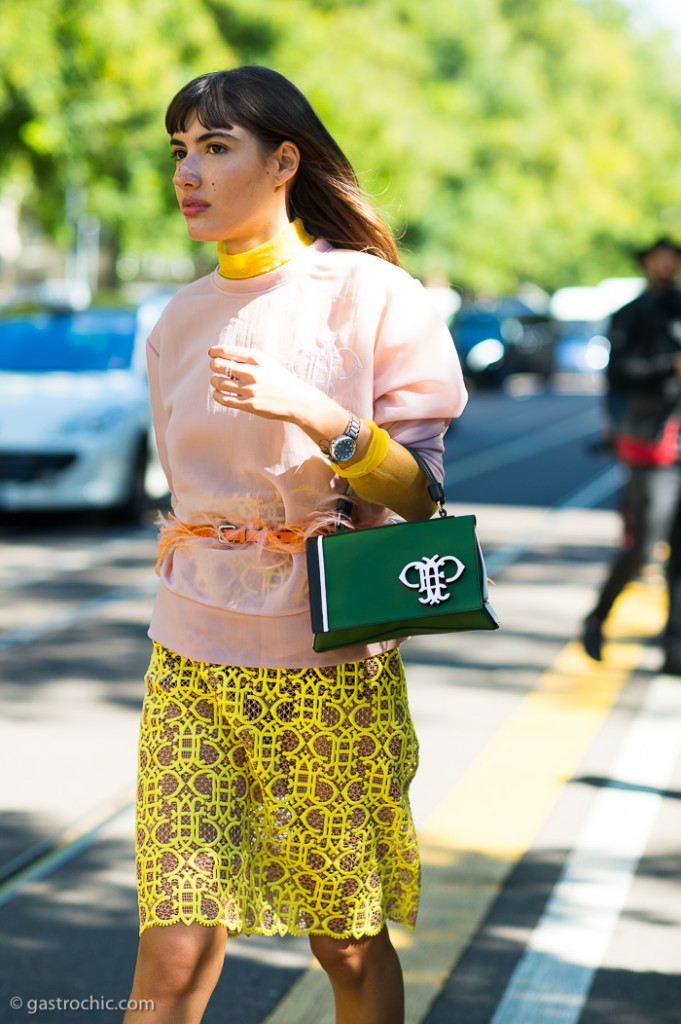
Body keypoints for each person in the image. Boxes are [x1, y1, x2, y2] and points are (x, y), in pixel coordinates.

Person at [124, 66, 467, 1024]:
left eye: (215, 148)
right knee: (176, 937)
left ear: (284, 162)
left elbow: (421, 499)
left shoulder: (370, 295)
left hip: (324, 653)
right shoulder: (179, 319)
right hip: (189, 651)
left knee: (347, 943)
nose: (188, 173)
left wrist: (315, 414)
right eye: (180, 151)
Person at [582, 237, 681, 667]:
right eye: (657, 259)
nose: (664, 266)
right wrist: (668, 367)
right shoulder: (630, 314)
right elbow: (619, 375)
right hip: (650, 443)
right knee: (645, 546)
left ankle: (674, 647)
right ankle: (598, 617)